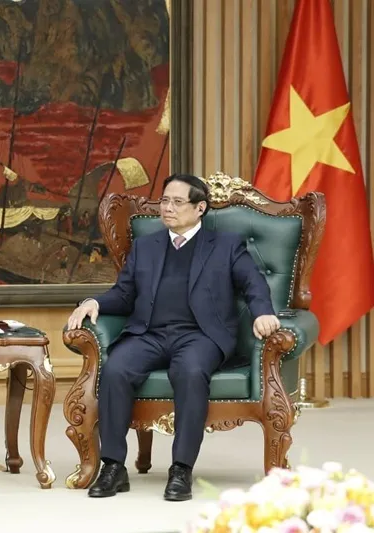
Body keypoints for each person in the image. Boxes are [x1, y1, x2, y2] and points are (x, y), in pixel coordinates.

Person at [66, 174, 280, 502]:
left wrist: (263, 312)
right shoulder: (146, 246)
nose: (167, 208)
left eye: (177, 202)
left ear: (200, 208)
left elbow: (253, 283)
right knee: (116, 368)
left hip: (200, 336)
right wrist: (95, 302)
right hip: (149, 334)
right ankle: (113, 466)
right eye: (165, 200)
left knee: (190, 371)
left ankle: (181, 469)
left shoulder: (225, 245)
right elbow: (124, 294)